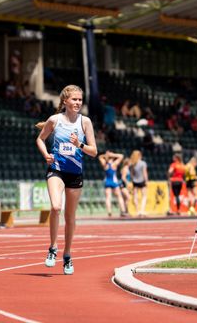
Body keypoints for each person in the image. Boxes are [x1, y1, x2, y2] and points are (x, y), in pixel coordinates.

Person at [35, 84, 97, 275]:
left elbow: (94, 152)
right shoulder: (55, 120)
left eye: (80, 99)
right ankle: (53, 248)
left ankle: (67, 255)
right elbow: (39, 139)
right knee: (55, 207)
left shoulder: (85, 122)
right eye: (74, 99)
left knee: (70, 217)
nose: (78, 102)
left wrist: (79, 144)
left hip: (75, 173)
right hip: (57, 170)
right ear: (65, 101)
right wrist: (46, 154)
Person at [98, 150, 128, 218]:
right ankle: (123, 211)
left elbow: (100, 157)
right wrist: (112, 154)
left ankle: (109, 212)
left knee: (108, 197)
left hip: (107, 181)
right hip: (114, 182)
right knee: (119, 196)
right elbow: (121, 156)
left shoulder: (105, 164)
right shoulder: (114, 164)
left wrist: (106, 155)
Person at [129, 150, 148, 217]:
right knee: (144, 196)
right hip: (142, 180)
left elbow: (131, 174)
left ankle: (137, 211)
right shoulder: (143, 163)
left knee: (135, 196)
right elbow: (145, 173)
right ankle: (142, 210)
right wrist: (146, 181)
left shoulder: (132, 164)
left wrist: (132, 180)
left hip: (135, 181)